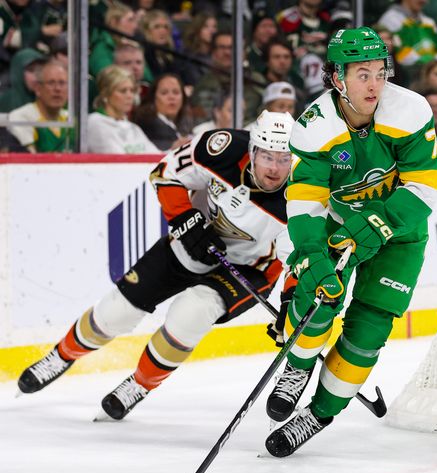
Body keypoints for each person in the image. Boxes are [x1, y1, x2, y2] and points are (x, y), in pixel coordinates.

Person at [17, 111, 296, 421]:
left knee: (189, 315)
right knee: (116, 312)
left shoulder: (302, 193)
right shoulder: (221, 148)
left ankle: (139, 384)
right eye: (268, 156)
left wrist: (291, 303)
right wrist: (186, 221)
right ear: (252, 150)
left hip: (248, 268)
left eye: (284, 159)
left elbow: (301, 258)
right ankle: (61, 355)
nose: (274, 168)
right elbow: (166, 174)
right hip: (192, 243)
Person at [263, 26, 437, 457]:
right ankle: (299, 364)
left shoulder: (411, 111)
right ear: (337, 77)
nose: (375, 83)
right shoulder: (313, 127)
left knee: (369, 329)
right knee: (315, 294)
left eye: (381, 72)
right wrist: (310, 253)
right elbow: (304, 202)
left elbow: (422, 190)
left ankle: (318, 414)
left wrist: (374, 225)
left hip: (400, 234)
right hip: (337, 224)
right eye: (363, 74)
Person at [87, 65, 159, 154]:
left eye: (132, 90)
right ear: (105, 94)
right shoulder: (95, 122)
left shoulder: (134, 128)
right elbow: (116, 160)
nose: (130, 96)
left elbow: (157, 157)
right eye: (123, 91)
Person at [7, 59, 73, 153]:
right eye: (51, 83)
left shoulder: (71, 118)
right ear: (38, 89)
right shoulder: (20, 117)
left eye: (62, 83)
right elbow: (31, 159)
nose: (57, 89)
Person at [133, 72, 193, 151]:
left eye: (176, 92)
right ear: (153, 98)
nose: (171, 97)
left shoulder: (186, 123)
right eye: (164, 93)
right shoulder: (147, 125)